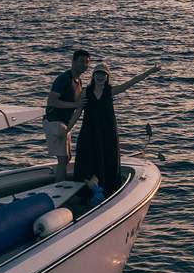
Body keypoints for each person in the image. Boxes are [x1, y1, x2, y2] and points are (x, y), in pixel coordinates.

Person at [73, 61, 161, 196]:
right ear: (93, 76)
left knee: (108, 157)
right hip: (89, 130)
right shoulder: (86, 92)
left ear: (107, 77)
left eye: (103, 74)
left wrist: (150, 71)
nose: (100, 77)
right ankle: (85, 190)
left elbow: (132, 82)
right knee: (86, 156)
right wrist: (66, 129)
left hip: (108, 131)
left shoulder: (110, 91)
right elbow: (78, 112)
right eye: (98, 73)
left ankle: (107, 189)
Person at [45, 49, 91, 182]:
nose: (84, 65)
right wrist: (75, 105)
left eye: (87, 62)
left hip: (65, 123)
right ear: (73, 61)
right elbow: (51, 101)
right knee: (63, 158)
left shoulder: (79, 82)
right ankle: (59, 188)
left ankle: (58, 180)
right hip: (54, 121)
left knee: (68, 157)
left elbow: (79, 105)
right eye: (82, 61)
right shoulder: (64, 79)